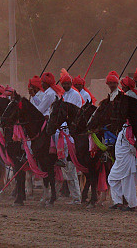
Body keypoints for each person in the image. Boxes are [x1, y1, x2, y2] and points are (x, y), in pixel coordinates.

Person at [58, 69, 82, 204]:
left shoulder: (75, 95)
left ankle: (77, 197)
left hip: (71, 132)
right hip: (62, 131)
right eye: (64, 84)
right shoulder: (63, 95)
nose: (66, 85)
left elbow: (72, 113)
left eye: (68, 83)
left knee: (71, 169)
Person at [108, 122, 137, 210]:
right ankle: (118, 202)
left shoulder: (130, 133)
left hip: (127, 162)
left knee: (128, 184)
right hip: (119, 162)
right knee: (112, 179)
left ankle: (132, 205)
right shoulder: (123, 131)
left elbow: (133, 148)